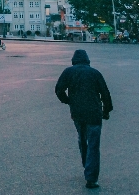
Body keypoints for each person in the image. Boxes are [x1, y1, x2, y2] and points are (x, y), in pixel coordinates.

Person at [55, 49, 113, 190]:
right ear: (87, 60)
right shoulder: (95, 73)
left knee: (82, 140)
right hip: (94, 114)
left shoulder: (68, 72)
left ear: (74, 60)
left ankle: (87, 165)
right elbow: (105, 94)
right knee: (93, 145)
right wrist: (106, 111)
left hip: (78, 113)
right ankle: (91, 178)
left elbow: (59, 90)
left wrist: (68, 101)